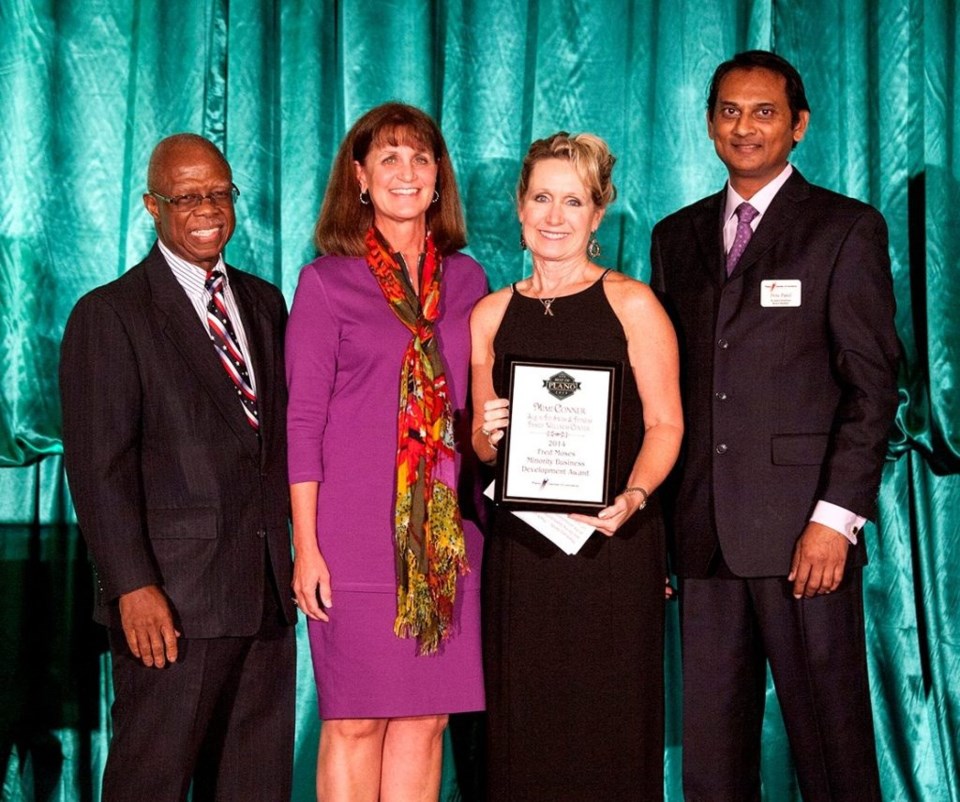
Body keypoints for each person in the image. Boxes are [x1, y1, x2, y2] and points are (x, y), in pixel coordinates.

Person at [650, 50, 901, 802]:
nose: (744, 126)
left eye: (764, 112)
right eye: (729, 111)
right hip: (702, 541)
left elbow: (874, 388)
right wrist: (658, 529)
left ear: (799, 126)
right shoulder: (676, 236)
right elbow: (668, 389)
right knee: (712, 768)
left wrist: (837, 520)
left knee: (832, 753)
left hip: (805, 540)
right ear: (707, 125)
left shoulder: (845, 230)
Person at [59, 134, 296, 801]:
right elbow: (97, 468)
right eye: (187, 196)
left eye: (219, 193)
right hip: (172, 607)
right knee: (149, 785)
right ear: (151, 205)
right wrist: (133, 587)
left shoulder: (265, 303)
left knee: (254, 789)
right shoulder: (110, 315)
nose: (206, 209)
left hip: (264, 602)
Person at [471, 132, 683, 800]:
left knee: (611, 732)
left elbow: (666, 424)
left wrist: (636, 495)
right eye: (542, 198)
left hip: (612, 549)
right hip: (523, 558)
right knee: (524, 731)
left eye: (573, 201)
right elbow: (482, 451)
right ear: (519, 206)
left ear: (598, 214)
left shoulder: (634, 303)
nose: (554, 216)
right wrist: (486, 430)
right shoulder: (489, 314)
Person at [285, 102, 486, 802]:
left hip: (445, 539)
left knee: (427, 721)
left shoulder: (468, 281)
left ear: (439, 179)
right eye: (389, 158)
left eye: (421, 158)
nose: (407, 171)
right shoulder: (325, 282)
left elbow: (476, 411)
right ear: (361, 177)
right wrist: (305, 547)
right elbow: (302, 422)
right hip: (353, 539)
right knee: (357, 721)